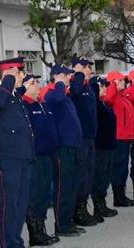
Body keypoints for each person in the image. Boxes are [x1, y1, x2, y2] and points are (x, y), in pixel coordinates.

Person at [0, 57, 35, 248]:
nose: (23, 76)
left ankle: (16, 240)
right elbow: (0, 102)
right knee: (9, 205)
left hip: (22, 157)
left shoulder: (14, 95)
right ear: (10, 73)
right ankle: (8, 243)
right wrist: (8, 79)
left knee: (20, 203)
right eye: (19, 72)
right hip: (8, 159)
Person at [44, 64, 85, 237]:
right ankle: (61, 225)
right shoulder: (53, 94)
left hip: (73, 146)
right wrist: (59, 82)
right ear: (58, 76)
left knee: (72, 186)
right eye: (67, 75)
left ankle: (68, 221)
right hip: (62, 149)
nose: (70, 78)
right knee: (63, 187)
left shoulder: (65, 95)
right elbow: (58, 99)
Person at [22, 74, 60, 246]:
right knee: (35, 195)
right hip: (35, 157)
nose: (38, 86)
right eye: (33, 83)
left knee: (45, 194)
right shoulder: (25, 106)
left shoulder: (42, 104)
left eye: (38, 83)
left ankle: (41, 228)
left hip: (48, 155)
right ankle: (35, 233)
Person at [70, 56, 98, 226]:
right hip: (80, 138)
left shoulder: (88, 87)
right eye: (86, 67)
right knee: (81, 176)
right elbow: (75, 92)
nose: (89, 70)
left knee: (89, 174)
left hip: (90, 136)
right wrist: (78, 73)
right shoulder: (75, 85)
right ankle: (77, 212)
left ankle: (83, 208)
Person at [90, 76, 118, 219]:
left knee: (106, 176)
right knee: (99, 176)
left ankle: (102, 202)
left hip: (109, 145)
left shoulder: (104, 104)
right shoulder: (95, 104)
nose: (105, 88)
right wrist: (94, 86)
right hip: (100, 146)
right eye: (102, 86)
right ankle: (98, 205)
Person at [104, 71, 134, 207]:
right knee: (119, 168)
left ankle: (121, 195)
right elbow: (108, 98)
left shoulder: (123, 97)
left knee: (123, 168)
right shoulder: (114, 96)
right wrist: (113, 85)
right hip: (119, 137)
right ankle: (118, 196)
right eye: (121, 80)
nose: (124, 82)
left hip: (126, 137)